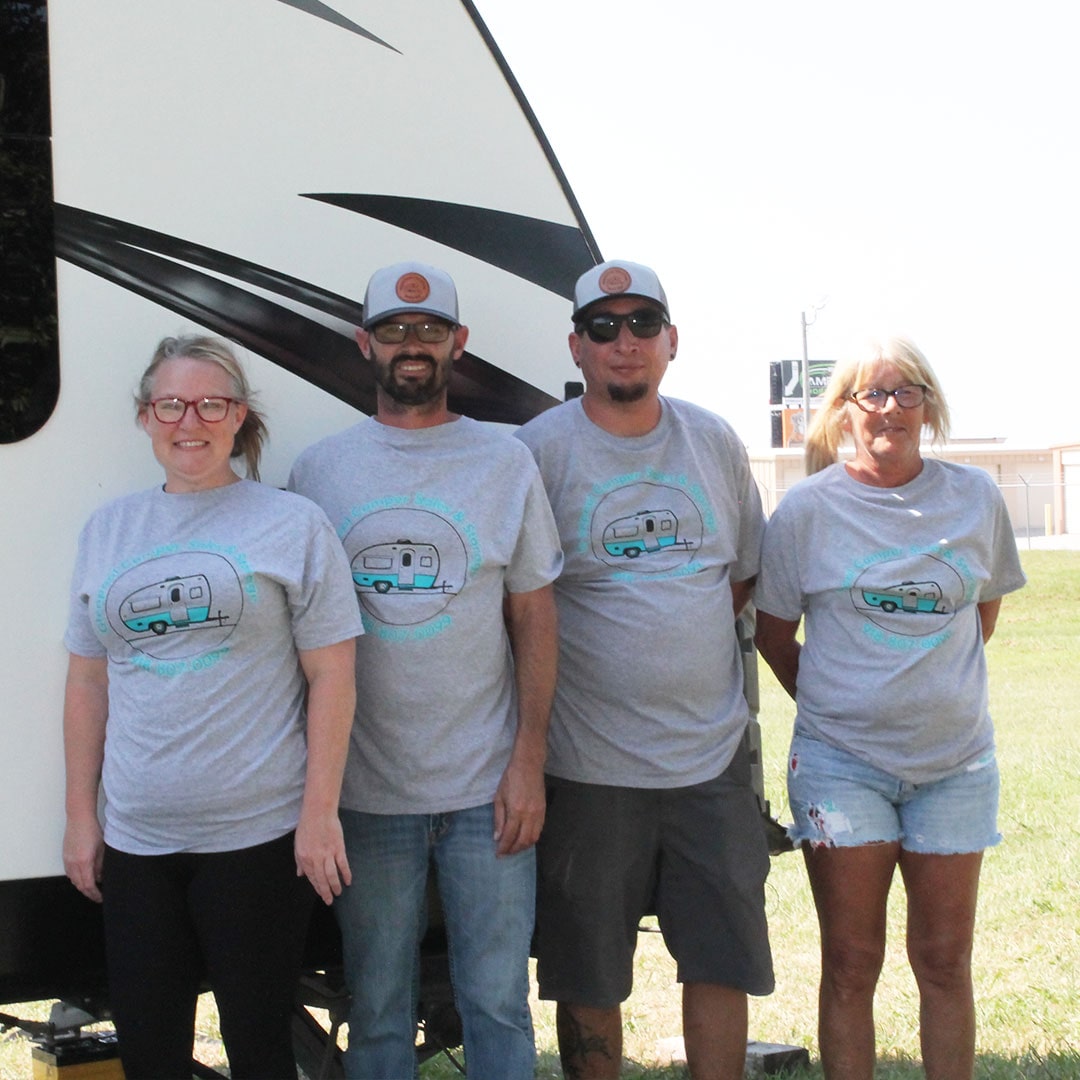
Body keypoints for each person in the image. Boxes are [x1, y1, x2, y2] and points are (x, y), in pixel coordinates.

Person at [288, 260, 562, 1080]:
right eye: (396, 330)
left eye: (431, 329)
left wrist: (529, 761)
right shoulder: (318, 470)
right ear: (364, 342)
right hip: (366, 795)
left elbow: (535, 618)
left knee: (498, 1003)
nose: (413, 344)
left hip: (487, 789)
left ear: (458, 342)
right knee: (376, 1010)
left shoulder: (505, 462)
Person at [62, 335, 363, 1080]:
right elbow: (88, 682)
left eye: (210, 404)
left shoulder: (292, 523)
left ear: (238, 417)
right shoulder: (107, 529)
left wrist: (319, 814)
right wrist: (81, 818)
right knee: (149, 1055)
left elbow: (332, 675)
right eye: (171, 404)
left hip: (257, 842)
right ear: (145, 416)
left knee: (260, 1051)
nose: (189, 420)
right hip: (137, 843)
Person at [516, 259, 774, 1080]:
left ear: (671, 341)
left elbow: (739, 578)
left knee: (721, 960)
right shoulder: (537, 452)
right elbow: (521, 603)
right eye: (602, 327)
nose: (623, 341)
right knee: (588, 973)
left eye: (642, 324)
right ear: (577, 347)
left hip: (711, 762)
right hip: (589, 769)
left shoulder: (714, 441)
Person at [753, 336, 1026, 1080]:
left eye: (907, 392)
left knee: (945, 960)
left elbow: (981, 612)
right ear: (843, 411)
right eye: (871, 394)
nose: (889, 408)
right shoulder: (807, 511)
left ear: (928, 408)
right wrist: (842, 706)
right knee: (850, 962)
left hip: (956, 768)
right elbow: (773, 634)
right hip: (841, 771)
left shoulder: (975, 498)